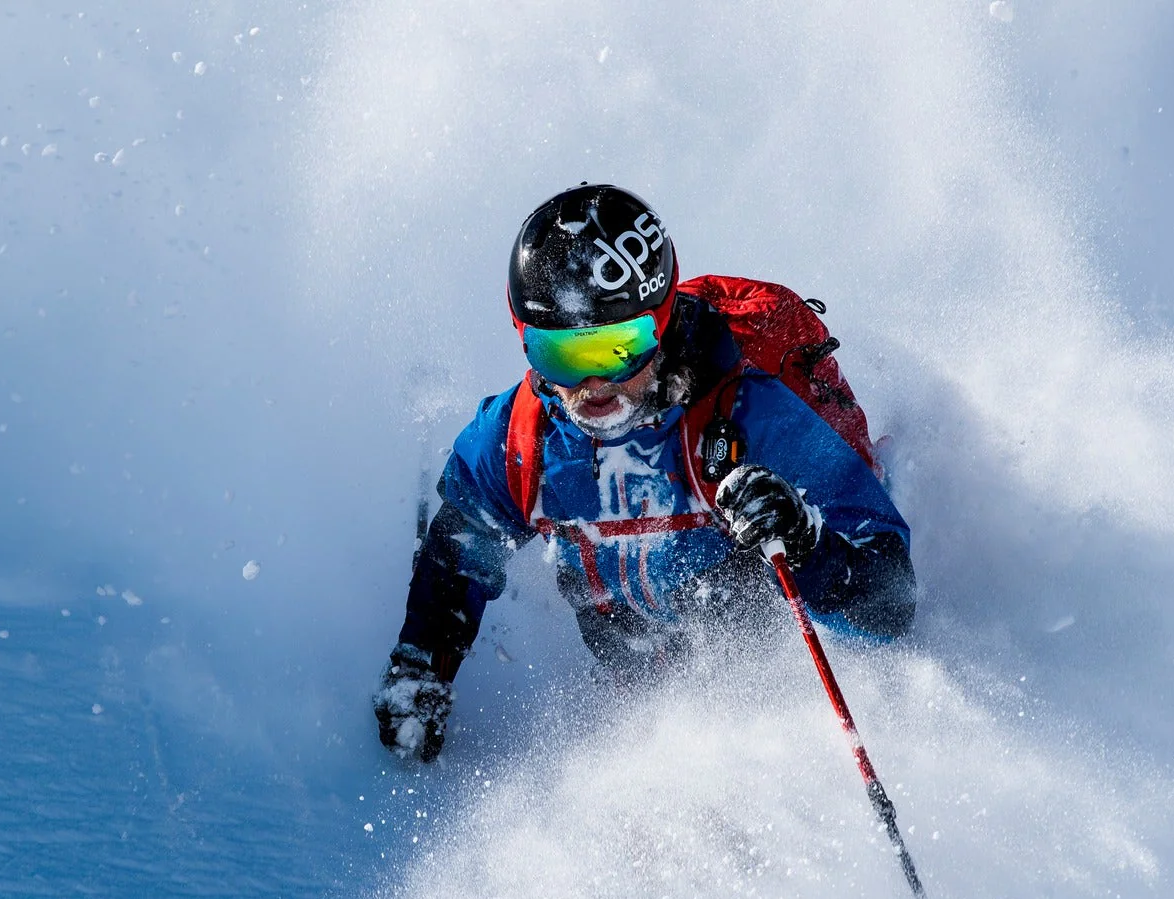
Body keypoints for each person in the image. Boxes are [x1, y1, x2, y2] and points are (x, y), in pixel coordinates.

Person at [373, 183, 916, 761]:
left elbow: (894, 608)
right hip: (631, 649)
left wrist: (808, 544)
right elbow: (462, 547)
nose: (593, 387)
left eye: (618, 349)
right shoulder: (522, 437)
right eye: (560, 355)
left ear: (659, 326)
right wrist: (420, 669)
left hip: (758, 661)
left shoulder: (752, 417)